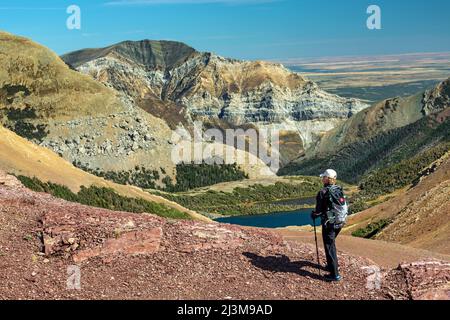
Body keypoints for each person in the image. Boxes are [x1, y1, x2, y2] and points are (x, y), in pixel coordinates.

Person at [311, 169, 342, 282]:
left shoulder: (323, 192)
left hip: (329, 223)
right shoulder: (338, 189)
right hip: (340, 222)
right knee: (331, 244)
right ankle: (331, 266)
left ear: (327, 179)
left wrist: (314, 215)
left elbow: (318, 211)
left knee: (329, 246)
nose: (322, 179)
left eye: (323, 177)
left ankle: (334, 275)